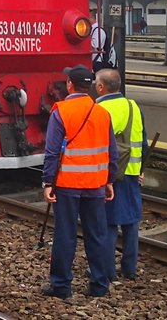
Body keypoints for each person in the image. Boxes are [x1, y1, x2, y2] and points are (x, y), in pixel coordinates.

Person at [40, 64, 118, 300]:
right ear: (91, 86)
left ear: (70, 85)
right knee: (97, 235)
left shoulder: (61, 112)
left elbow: (52, 152)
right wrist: (109, 180)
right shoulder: (102, 113)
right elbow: (111, 154)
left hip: (68, 184)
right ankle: (99, 285)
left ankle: (61, 286)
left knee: (66, 235)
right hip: (95, 184)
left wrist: (47, 182)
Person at [94, 68, 146, 280]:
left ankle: (107, 271)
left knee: (109, 223)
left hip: (110, 175)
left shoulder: (98, 108)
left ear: (100, 87)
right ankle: (129, 269)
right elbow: (143, 141)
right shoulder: (133, 106)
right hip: (132, 172)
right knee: (131, 222)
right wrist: (141, 169)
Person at [90, 6, 116, 72]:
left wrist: (83, 41)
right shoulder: (92, 30)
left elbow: (96, 45)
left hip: (97, 61)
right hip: (93, 60)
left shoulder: (98, 31)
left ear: (91, 18)